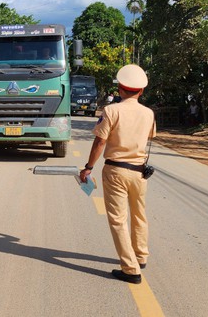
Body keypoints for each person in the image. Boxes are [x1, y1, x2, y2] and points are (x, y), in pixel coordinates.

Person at [80, 64, 156, 284]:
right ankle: (140, 256)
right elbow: (149, 138)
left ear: (121, 89)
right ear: (141, 91)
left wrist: (88, 167)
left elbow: (100, 140)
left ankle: (131, 269)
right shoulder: (149, 113)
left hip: (116, 170)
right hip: (140, 172)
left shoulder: (112, 111)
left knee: (118, 220)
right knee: (139, 215)